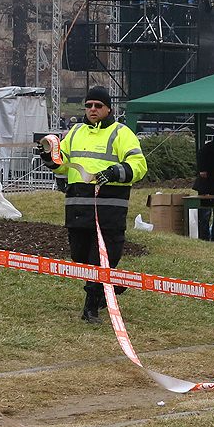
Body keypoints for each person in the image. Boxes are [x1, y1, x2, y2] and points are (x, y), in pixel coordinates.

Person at [44, 85, 146, 323]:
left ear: (109, 108)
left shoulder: (121, 133)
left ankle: (91, 308)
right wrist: (49, 159)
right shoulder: (76, 132)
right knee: (79, 259)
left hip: (109, 212)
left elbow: (139, 166)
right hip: (78, 210)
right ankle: (111, 284)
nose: (92, 109)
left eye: (98, 106)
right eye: (89, 105)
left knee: (99, 261)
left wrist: (113, 172)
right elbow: (63, 165)